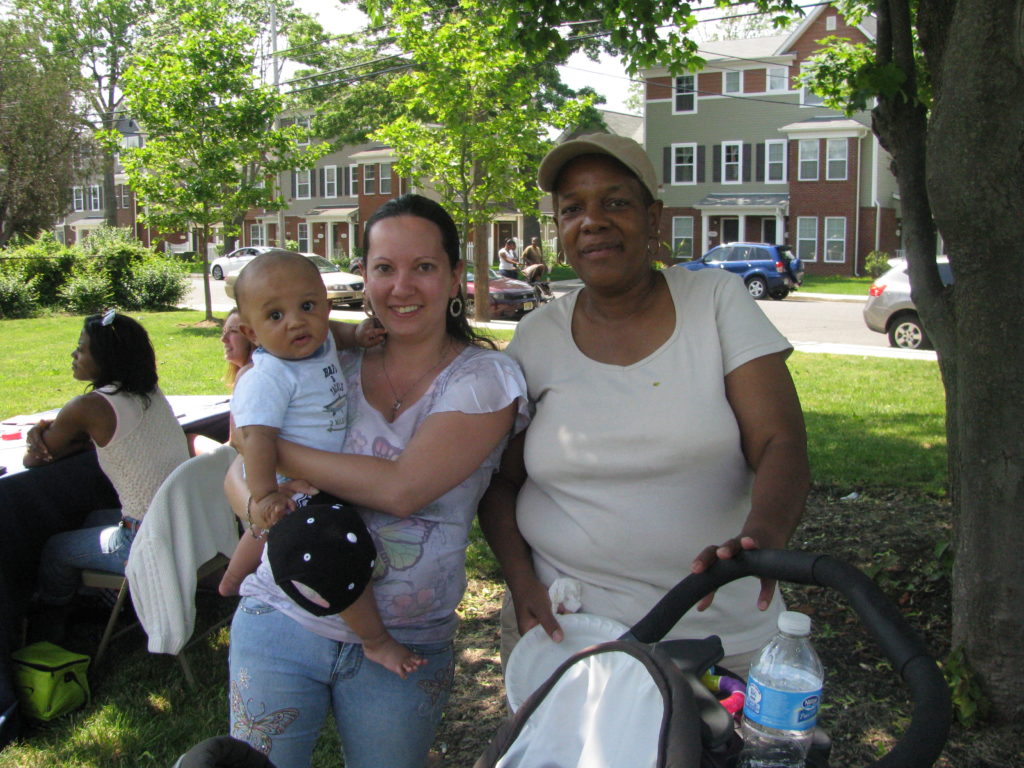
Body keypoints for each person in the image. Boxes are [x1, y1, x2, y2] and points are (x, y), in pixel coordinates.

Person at [477, 133, 810, 677]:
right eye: (572, 209)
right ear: (560, 233)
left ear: (653, 218)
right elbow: (500, 480)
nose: (593, 221)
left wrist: (764, 538)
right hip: (571, 629)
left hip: (722, 636)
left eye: (615, 202)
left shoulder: (716, 303)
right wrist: (520, 583)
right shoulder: (537, 337)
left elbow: (781, 442)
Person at [225, 194, 528, 768]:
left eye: (424, 267)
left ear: (456, 276)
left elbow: (402, 489)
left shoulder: (487, 380)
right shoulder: (320, 357)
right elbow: (234, 475)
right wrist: (260, 503)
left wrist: (268, 446)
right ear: (363, 274)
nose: (401, 286)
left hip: (406, 641)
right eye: (384, 268)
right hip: (281, 617)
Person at [221, 250, 423, 678]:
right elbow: (253, 440)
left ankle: (231, 580)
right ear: (250, 331)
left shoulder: (319, 340)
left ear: (326, 305)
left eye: (307, 306)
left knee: (267, 534)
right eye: (275, 315)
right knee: (335, 553)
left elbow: (332, 333)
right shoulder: (268, 377)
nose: (296, 322)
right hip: (292, 481)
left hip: (318, 472)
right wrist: (264, 495)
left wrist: (357, 335)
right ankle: (375, 640)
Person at [26, 311, 190, 638]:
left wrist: (36, 435)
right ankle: (102, 603)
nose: (74, 355)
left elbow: (34, 460)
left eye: (81, 348)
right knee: (91, 519)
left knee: (56, 549)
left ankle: (53, 621)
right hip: (186, 526)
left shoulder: (88, 407)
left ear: (106, 357)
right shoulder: (150, 393)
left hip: (147, 540)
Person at [187, 308, 256, 456]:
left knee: (189, 440)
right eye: (224, 331)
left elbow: (237, 444)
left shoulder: (249, 374)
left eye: (233, 331)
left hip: (243, 465)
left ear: (252, 335)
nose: (223, 339)